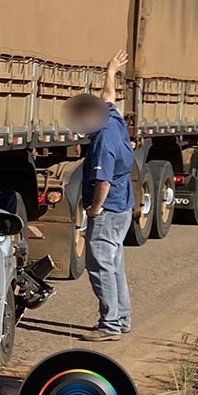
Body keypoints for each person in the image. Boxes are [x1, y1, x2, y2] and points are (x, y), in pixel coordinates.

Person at [64, 50, 135, 342]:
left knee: (101, 265)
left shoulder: (103, 141)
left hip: (109, 210)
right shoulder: (113, 120)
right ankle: (122, 317)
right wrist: (111, 71)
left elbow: (102, 182)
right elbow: (110, 95)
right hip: (123, 209)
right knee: (114, 264)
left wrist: (94, 209)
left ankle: (110, 325)